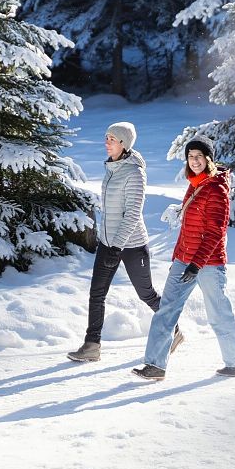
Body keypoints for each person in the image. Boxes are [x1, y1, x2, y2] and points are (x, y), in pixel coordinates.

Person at [133, 134, 235, 381]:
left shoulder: (216, 188)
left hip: (208, 264)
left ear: (209, 159)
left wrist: (196, 265)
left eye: (199, 156)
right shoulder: (195, 184)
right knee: (166, 310)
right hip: (183, 259)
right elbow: (194, 225)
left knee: (218, 313)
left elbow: (216, 231)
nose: (194, 160)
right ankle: (155, 366)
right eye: (190, 156)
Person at [68, 122, 183, 362]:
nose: (107, 142)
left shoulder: (134, 172)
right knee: (96, 293)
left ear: (124, 143)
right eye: (106, 137)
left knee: (147, 294)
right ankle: (92, 345)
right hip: (107, 242)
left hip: (132, 245)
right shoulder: (111, 168)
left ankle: (174, 331)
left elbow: (132, 214)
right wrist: (106, 241)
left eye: (112, 138)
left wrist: (117, 246)